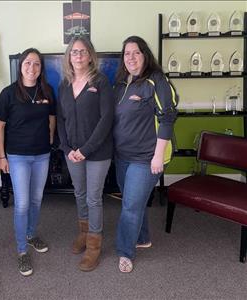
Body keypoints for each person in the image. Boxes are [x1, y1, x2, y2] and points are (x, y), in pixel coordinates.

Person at [113, 36, 178, 273]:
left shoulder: (156, 81)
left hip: (147, 157)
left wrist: (158, 156)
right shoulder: (120, 83)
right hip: (122, 156)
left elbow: (168, 118)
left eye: (136, 52)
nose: (131, 57)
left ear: (145, 55)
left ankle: (125, 252)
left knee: (130, 205)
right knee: (133, 201)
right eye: (127, 53)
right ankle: (143, 239)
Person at [0, 48, 56, 276]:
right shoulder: (8, 93)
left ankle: (31, 235)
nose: (32, 68)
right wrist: (2, 156)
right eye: (28, 63)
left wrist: (49, 139)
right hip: (18, 156)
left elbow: (52, 117)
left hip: (42, 155)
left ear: (41, 68)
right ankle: (22, 251)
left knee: (37, 199)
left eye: (37, 64)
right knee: (21, 204)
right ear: (21, 66)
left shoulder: (47, 91)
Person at [57, 36, 114, 271]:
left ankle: (94, 246)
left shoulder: (100, 82)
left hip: (98, 152)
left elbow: (106, 119)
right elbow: (60, 119)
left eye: (82, 51)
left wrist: (85, 150)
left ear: (90, 56)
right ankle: (83, 232)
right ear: (69, 57)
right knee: (79, 194)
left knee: (93, 197)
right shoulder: (63, 85)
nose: (78, 56)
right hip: (72, 154)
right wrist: (68, 149)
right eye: (74, 52)